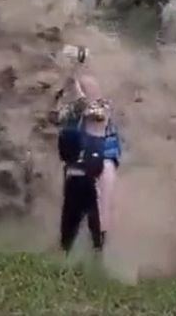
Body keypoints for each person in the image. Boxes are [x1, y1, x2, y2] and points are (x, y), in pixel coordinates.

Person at [55, 74, 121, 255]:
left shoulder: (100, 107)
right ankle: (68, 247)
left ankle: (98, 250)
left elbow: (94, 112)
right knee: (73, 212)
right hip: (79, 165)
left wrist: (74, 87)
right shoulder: (71, 111)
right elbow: (55, 117)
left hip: (103, 160)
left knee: (101, 208)